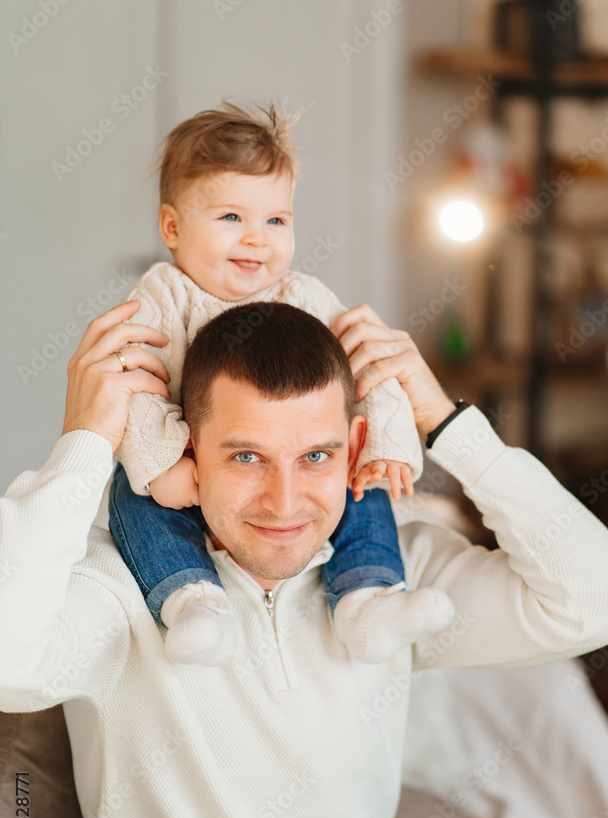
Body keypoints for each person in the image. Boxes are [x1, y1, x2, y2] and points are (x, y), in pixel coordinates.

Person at [1, 299, 608, 818]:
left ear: (352, 446)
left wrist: (448, 424)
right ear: (187, 453)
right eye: (247, 456)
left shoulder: (394, 578)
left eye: (314, 456)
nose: (285, 501)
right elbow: (11, 664)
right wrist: (86, 442)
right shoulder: (122, 584)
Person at [107, 100, 454, 669]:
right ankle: (190, 599)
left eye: (276, 221)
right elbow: (132, 386)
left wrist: (391, 444)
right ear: (172, 227)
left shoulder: (304, 296)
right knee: (134, 493)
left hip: (266, 469)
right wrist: (164, 463)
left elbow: (370, 369)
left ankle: (367, 599)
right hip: (190, 469)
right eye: (230, 219)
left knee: (357, 480)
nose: (256, 240)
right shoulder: (162, 296)